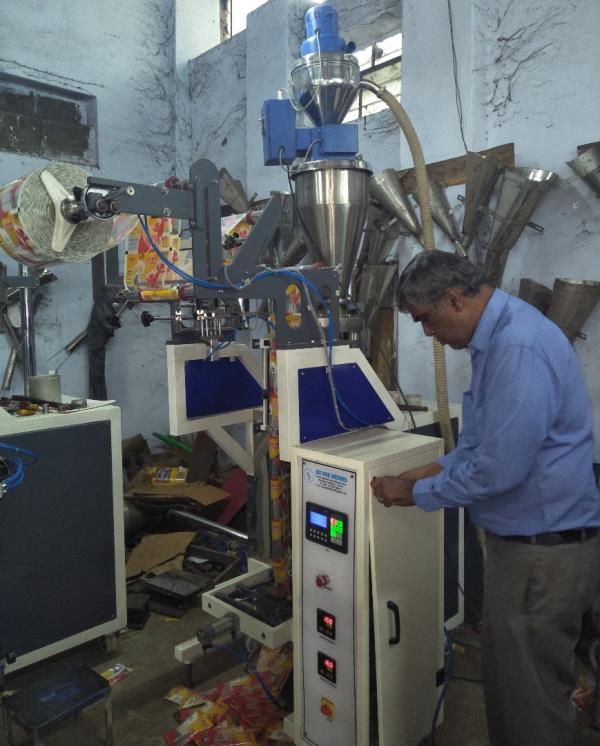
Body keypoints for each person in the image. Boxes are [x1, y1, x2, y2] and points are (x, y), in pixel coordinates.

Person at [370, 250, 600, 746]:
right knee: (514, 684)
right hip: (529, 548)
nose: (428, 334)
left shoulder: (518, 347)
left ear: (454, 299)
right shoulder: (496, 339)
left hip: (542, 555)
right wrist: (424, 472)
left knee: (530, 701)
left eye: (426, 319)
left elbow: (500, 469)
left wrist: (416, 493)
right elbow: (480, 446)